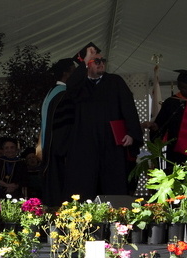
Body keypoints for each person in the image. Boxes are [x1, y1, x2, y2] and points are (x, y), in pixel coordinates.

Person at [64, 43, 142, 200]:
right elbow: (69, 87)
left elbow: (129, 108)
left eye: (103, 61)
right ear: (87, 65)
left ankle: (114, 213)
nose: (101, 64)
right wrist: (86, 59)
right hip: (86, 144)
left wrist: (131, 133)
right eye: (96, 61)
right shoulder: (81, 85)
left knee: (113, 183)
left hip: (111, 143)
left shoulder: (115, 81)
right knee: (86, 183)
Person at [40, 58, 76, 206]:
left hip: (49, 150)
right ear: (66, 73)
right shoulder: (64, 95)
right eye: (74, 70)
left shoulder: (51, 93)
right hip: (59, 152)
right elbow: (64, 125)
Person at [145, 69, 187, 168]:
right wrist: (155, 128)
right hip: (175, 147)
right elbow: (160, 124)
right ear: (179, 86)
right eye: (185, 87)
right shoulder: (171, 102)